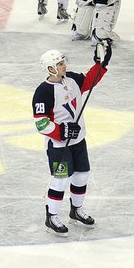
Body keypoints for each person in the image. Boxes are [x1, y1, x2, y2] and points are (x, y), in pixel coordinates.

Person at [33, 41, 111, 234]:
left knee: (81, 176)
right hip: (59, 145)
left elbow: (89, 81)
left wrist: (101, 65)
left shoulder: (72, 80)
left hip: (79, 141)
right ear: (50, 68)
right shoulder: (43, 92)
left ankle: (76, 210)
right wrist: (63, 132)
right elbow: (41, 123)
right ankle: (51, 216)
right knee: (61, 180)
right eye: (59, 64)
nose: (64, 66)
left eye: (63, 62)